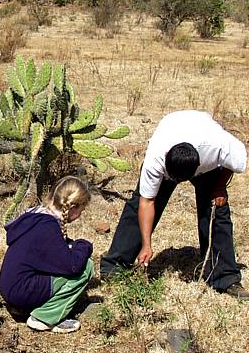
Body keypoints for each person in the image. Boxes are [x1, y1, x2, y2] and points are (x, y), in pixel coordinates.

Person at [100, 110, 248, 300]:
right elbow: (147, 202)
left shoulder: (217, 147)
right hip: (173, 130)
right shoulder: (156, 157)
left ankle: (225, 277)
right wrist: (147, 244)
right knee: (139, 204)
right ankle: (115, 266)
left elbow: (235, 160)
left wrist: (219, 187)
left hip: (204, 148)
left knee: (216, 207)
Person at [0, 176, 93, 333]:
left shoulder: (36, 215)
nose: (80, 215)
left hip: (10, 287)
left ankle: (25, 308)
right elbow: (72, 266)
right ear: (72, 207)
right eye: (81, 210)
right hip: (20, 291)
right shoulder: (47, 227)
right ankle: (44, 318)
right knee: (86, 267)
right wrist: (84, 245)